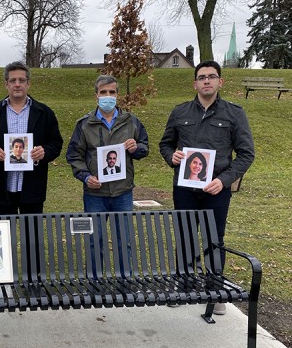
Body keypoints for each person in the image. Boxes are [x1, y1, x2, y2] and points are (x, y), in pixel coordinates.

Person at [159, 60, 255, 315]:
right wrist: (172, 157)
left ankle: (214, 292)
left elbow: (246, 154)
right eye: (202, 77)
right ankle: (183, 286)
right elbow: (166, 144)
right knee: (186, 237)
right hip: (185, 189)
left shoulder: (234, 113)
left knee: (215, 240)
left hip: (217, 190)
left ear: (220, 82)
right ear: (195, 83)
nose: (207, 81)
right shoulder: (180, 112)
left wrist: (223, 181)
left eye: (212, 77)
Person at [66, 74, 149, 272]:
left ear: (117, 95)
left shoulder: (131, 121)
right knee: (95, 242)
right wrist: (86, 177)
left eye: (112, 92)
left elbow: (145, 147)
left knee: (125, 241)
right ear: (96, 96)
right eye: (103, 92)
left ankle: (125, 284)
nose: (108, 96)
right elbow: (74, 155)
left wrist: (135, 148)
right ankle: (95, 286)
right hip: (95, 194)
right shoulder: (84, 124)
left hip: (123, 192)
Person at [0, 61, 63, 214]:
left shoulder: (44, 113)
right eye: (13, 80)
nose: (17, 84)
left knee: (32, 236)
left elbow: (56, 143)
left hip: (33, 188)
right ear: (6, 84)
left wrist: (45, 152)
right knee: (5, 236)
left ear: (28, 84)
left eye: (21, 80)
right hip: (2, 188)